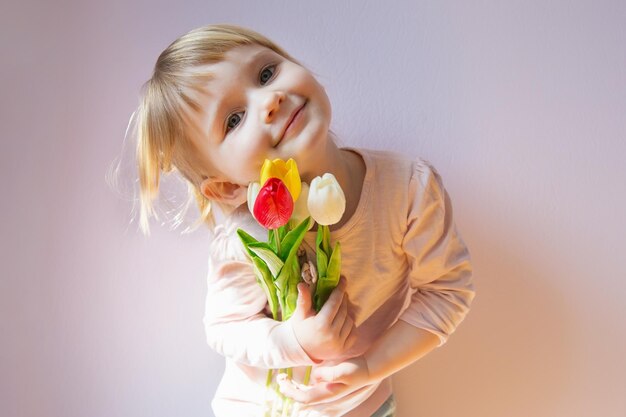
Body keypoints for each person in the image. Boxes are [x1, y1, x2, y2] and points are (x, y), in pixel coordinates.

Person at [134, 24, 475, 417]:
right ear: (227, 187)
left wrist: (369, 367)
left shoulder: (408, 192)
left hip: (360, 407)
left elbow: (448, 290)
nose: (270, 100)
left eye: (266, 74)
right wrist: (293, 339)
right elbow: (225, 328)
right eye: (234, 119)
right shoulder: (246, 235)